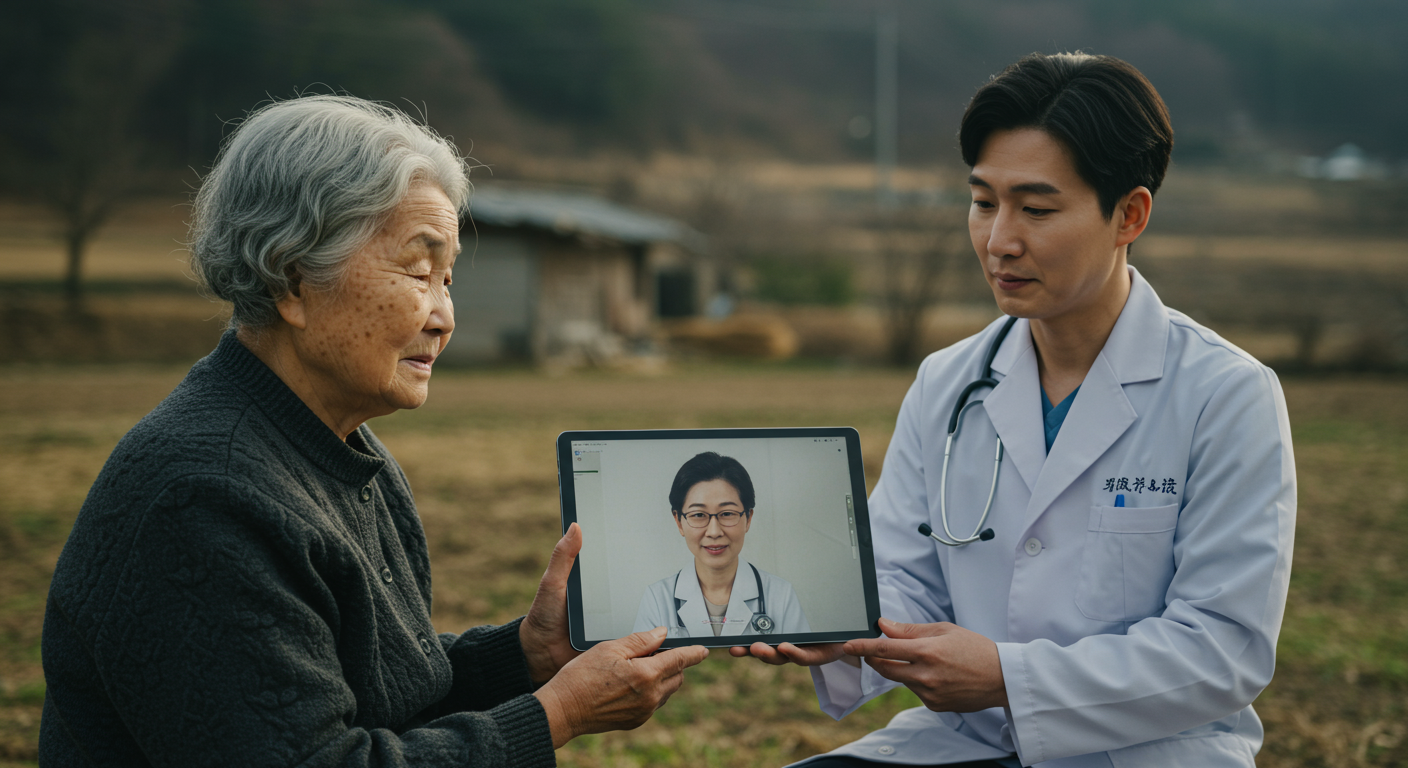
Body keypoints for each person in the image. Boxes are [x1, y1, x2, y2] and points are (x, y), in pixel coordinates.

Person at [38, 94, 709, 767]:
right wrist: (555, 713)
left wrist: (525, 656)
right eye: (418, 273)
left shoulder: (349, 455)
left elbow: (381, 702)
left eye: (447, 279)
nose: (444, 316)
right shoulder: (202, 497)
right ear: (293, 278)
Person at [734, 53, 1296, 768]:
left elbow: (1222, 649)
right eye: (982, 202)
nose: (1000, 240)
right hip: (967, 745)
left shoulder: (1225, 395)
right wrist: (842, 625)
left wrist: (1009, 677)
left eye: (1036, 209)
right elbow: (906, 577)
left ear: (1129, 214)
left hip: (1151, 752)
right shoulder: (949, 382)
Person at [635, 452, 810, 638]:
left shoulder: (781, 594)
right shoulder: (657, 598)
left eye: (727, 513)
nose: (714, 531)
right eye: (698, 515)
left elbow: (799, 664)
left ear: (748, 519)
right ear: (679, 522)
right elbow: (638, 666)